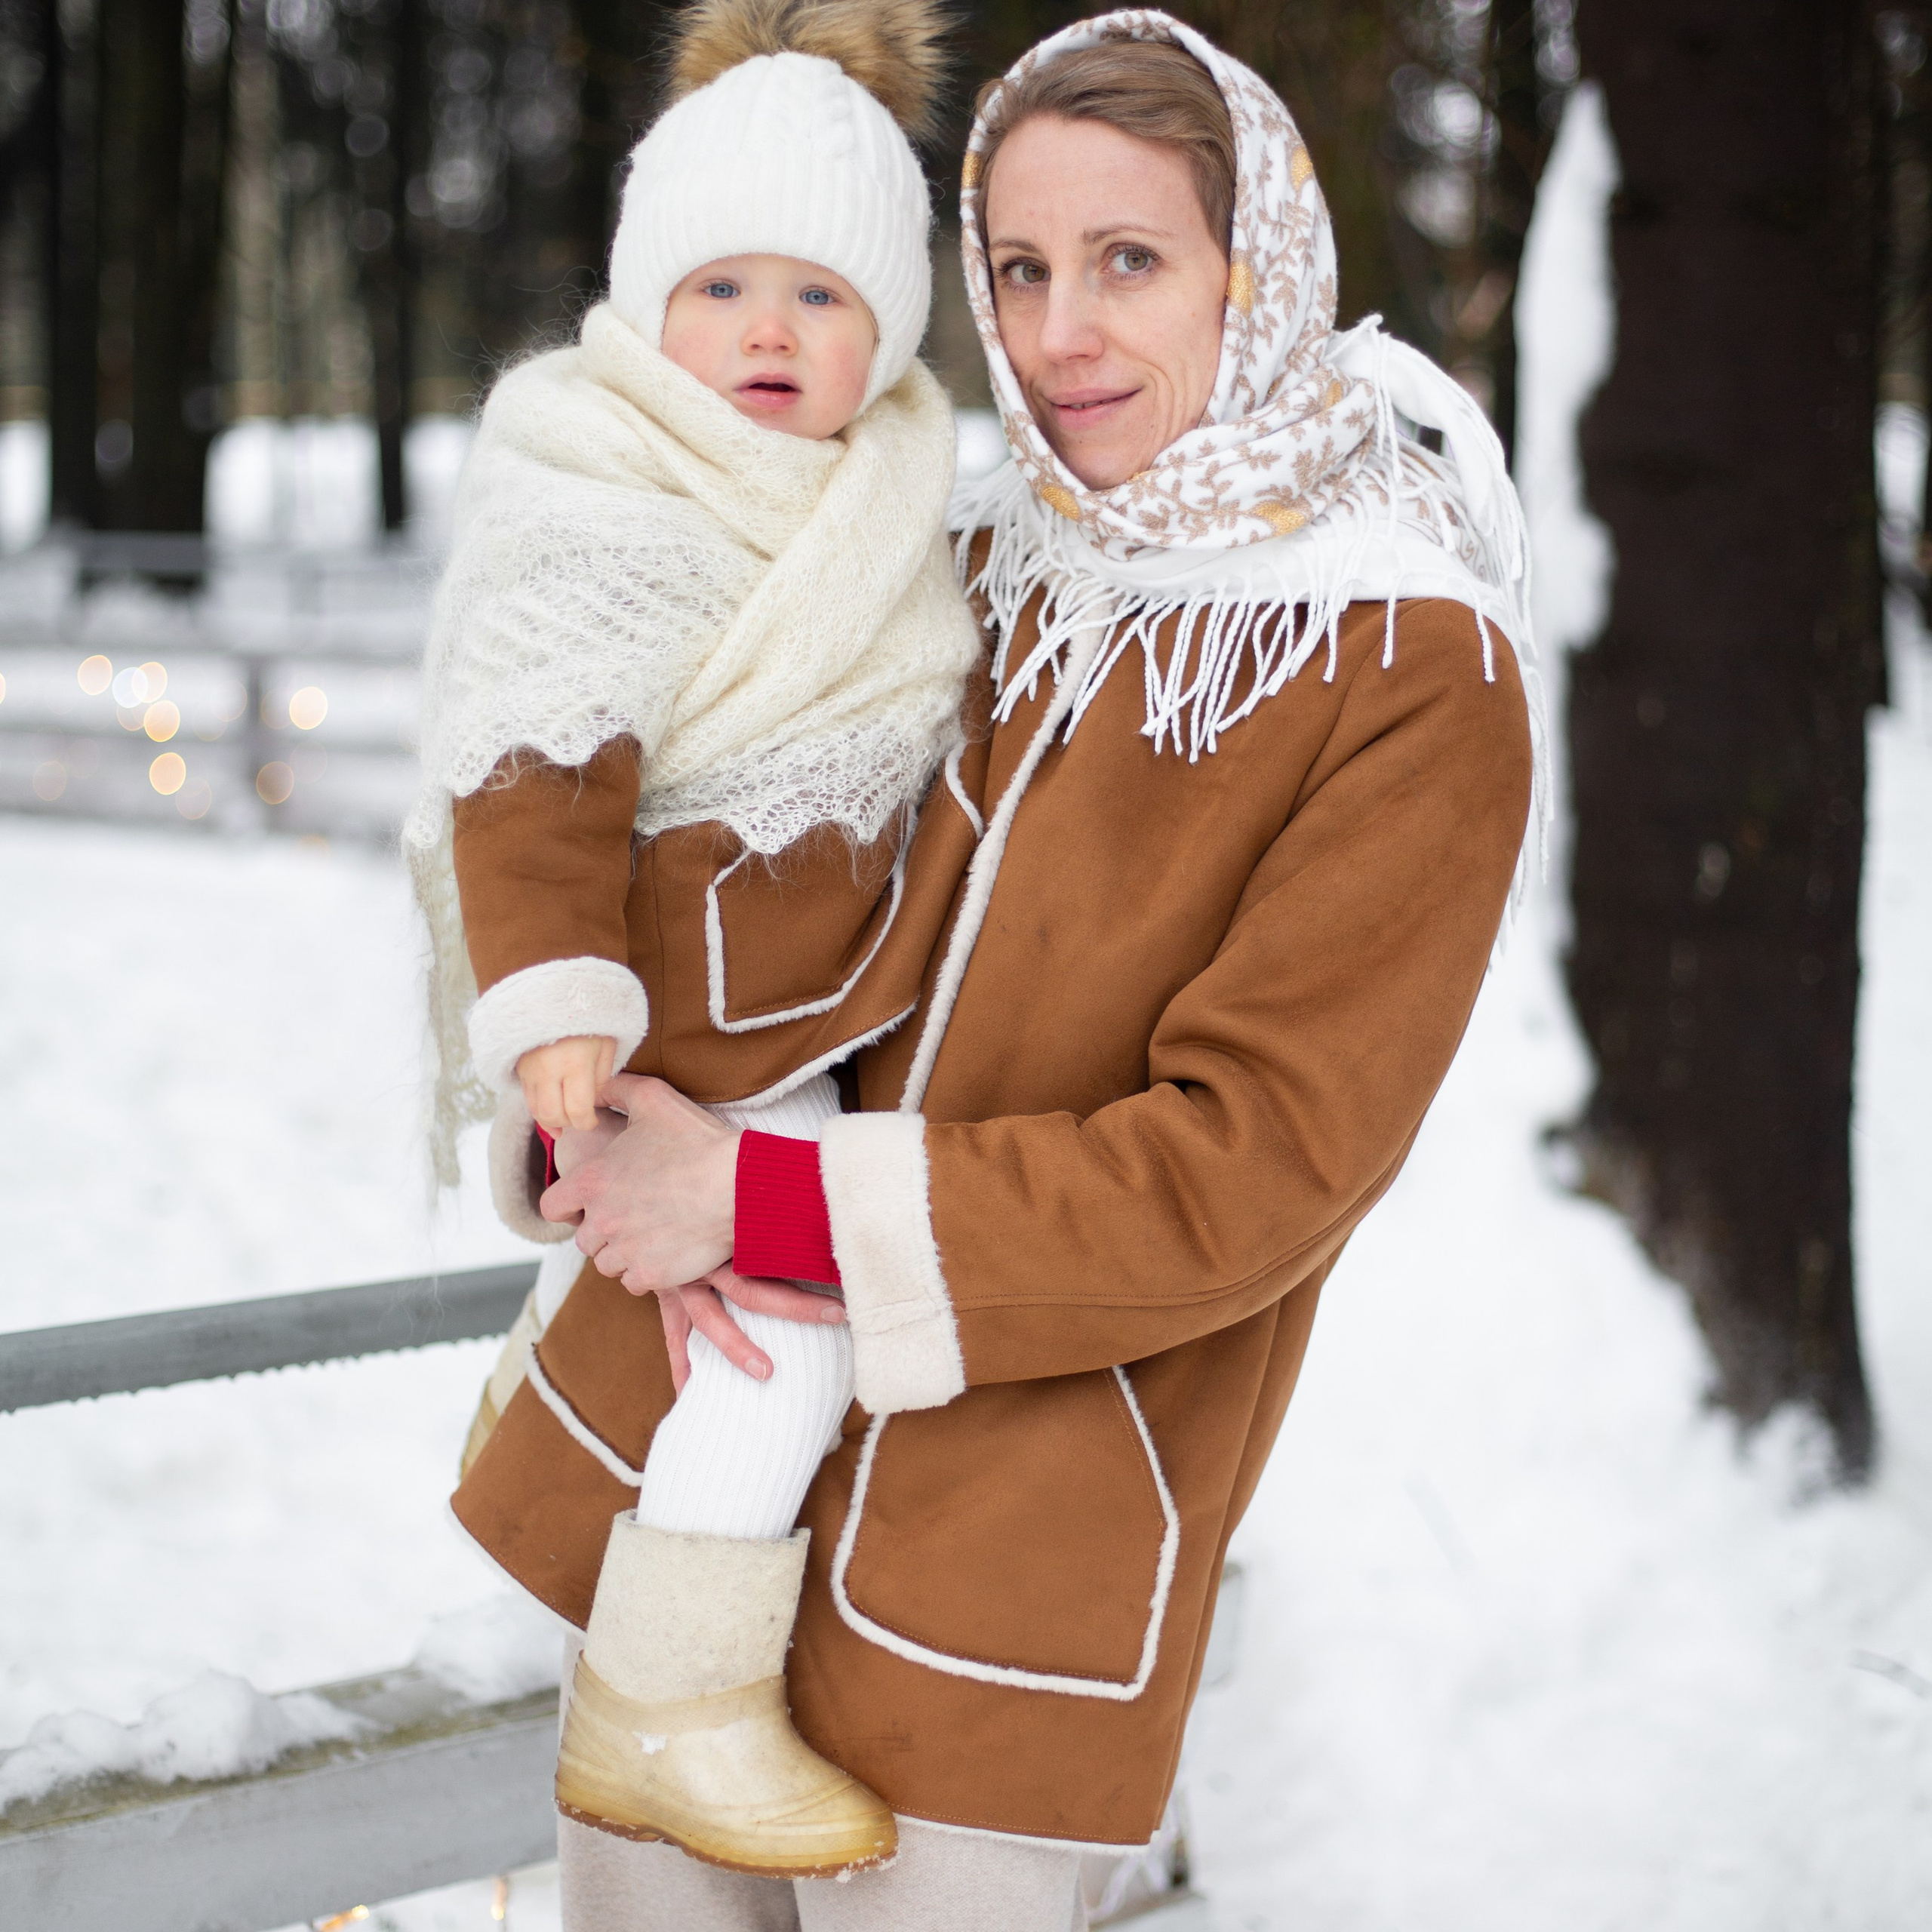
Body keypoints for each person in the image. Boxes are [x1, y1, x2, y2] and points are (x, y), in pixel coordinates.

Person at [455, 10, 1543, 1927]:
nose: (1058, 338)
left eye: (1128, 261)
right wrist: (586, 1114)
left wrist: (760, 1194)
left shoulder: (1402, 665)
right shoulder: (956, 545)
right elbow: (673, 819)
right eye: (1019, 270)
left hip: (1007, 1574)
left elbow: (1245, 1172)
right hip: (692, 1513)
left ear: (1255, 262)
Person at [405, 0, 980, 1880]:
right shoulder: (598, 472)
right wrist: (558, 1011)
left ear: (886, 331)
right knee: (784, 1343)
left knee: (773, 1310)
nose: (763, 331)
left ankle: (556, 1421)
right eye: (720, 284)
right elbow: (535, 759)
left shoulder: (899, 493)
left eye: (820, 298)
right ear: (648, 299)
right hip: (669, 1016)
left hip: (807, 1007)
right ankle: (669, 1695)